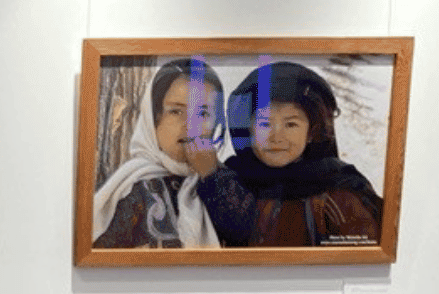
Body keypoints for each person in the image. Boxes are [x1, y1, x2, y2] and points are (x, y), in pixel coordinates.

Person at [191, 61, 382, 247]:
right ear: (248, 129)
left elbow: (364, 264)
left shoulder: (340, 191)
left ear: (311, 132)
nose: (276, 137)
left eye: (291, 124)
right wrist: (212, 176)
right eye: (265, 124)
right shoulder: (227, 181)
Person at [92, 58, 224, 250]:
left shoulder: (224, 185)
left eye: (202, 114)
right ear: (154, 119)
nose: (191, 126)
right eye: (176, 112)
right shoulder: (132, 189)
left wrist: (212, 176)